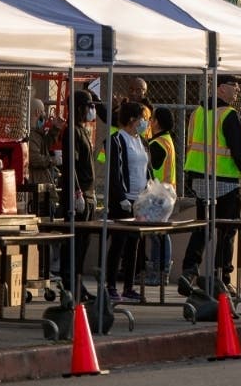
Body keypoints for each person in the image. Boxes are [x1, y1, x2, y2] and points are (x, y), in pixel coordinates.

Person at [178, 74, 241, 296]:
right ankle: (222, 277)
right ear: (221, 89)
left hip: (201, 180)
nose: (238, 89)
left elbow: (192, 143)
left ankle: (189, 271)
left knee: (203, 228)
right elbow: (239, 151)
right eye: (234, 85)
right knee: (226, 230)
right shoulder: (229, 115)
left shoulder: (198, 112)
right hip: (226, 182)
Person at [105, 100, 151, 303]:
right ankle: (111, 285)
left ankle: (129, 286)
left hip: (140, 199)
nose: (145, 123)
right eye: (143, 119)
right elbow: (115, 171)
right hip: (123, 200)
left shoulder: (141, 140)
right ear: (133, 120)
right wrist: (121, 197)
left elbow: (146, 168)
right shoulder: (117, 140)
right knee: (119, 243)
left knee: (135, 244)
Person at [59, 89, 100, 302]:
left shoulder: (83, 130)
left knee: (83, 243)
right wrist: (76, 192)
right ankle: (70, 284)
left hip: (89, 193)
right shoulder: (71, 131)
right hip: (78, 194)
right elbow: (71, 166)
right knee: (74, 243)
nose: (92, 110)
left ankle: (78, 282)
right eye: (90, 106)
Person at [144, 106, 177, 285]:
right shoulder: (166, 140)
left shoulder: (157, 144)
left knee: (158, 235)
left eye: (151, 119)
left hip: (159, 194)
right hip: (165, 193)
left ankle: (159, 271)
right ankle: (160, 271)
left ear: (156, 122)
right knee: (160, 234)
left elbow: (149, 167)